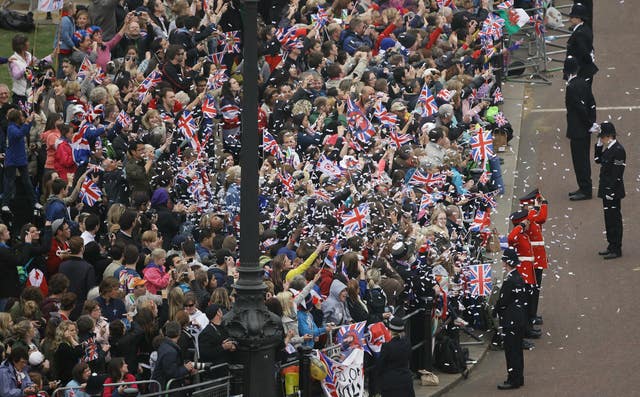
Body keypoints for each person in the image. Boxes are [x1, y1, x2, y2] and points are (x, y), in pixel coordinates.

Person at [494, 249, 527, 390]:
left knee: (511, 351)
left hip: (510, 321)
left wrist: (495, 311)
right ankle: (519, 378)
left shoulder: (509, 281)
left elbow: (502, 301)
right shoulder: (519, 278)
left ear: (507, 263)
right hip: (519, 319)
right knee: (518, 350)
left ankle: (512, 379)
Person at [565, 56, 596, 201]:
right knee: (583, 160)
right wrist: (591, 123)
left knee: (579, 161)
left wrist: (588, 123)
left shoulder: (571, 87)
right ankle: (584, 187)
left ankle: (585, 189)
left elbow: (579, 108)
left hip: (577, 130)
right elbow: (591, 104)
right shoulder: (584, 83)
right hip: (585, 129)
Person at [594, 122, 626, 259]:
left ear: (608, 136)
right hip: (606, 190)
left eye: (601, 137)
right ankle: (611, 245)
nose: (601, 139)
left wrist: (610, 191)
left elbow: (618, 173)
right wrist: (598, 146)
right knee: (608, 218)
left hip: (613, 191)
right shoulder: (609, 149)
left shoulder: (619, 150)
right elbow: (597, 159)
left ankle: (616, 248)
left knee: (614, 219)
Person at [151, 321, 196, 390]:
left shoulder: (165, 345)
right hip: (166, 389)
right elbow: (172, 373)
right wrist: (185, 368)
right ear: (179, 333)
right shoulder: (170, 351)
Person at [377, 317, 414, 397]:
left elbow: (380, 365)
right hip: (406, 379)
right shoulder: (407, 343)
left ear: (390, 330)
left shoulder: (387, 346)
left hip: (391, 382)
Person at [563, 3, 598, 87]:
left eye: (572, 17)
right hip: (583, 71)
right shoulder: (585, 28)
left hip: (580, 72)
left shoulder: (579, 34)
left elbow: (584, 53)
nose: (570, 19)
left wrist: (575, 71)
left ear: (579, 18)